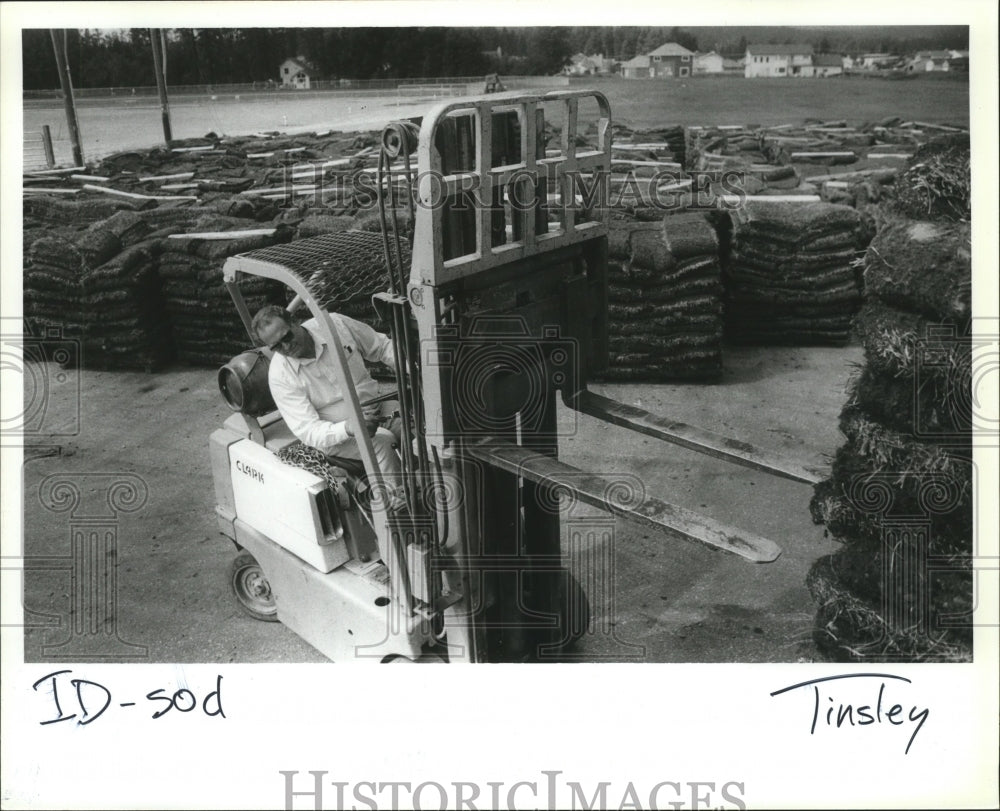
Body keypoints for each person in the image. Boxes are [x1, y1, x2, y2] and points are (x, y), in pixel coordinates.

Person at [252, 304, 403, 500]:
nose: (287, 347)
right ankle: (396, 511)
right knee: (383, 442)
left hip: (377, 407)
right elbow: (310, 431)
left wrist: (412, 366)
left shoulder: (334, 325)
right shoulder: (280, 377)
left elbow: (381, 347)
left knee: (420, 427)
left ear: (295, 322)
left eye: (287, 337)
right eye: (277, 347)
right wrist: (349, 427)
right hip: (339, 435)